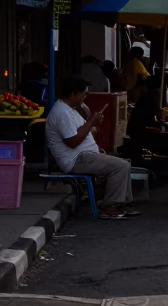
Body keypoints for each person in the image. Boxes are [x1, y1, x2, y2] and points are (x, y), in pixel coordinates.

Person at [45, 76, 136, 219]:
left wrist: (94, 124)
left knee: (123, 162)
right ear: (74, 93)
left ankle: (122, 203)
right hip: (75, 159)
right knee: (120, 166)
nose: (85, 97)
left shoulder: (72, 110)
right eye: (84, 93)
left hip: (85, 155)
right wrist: (91, 121)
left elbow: (86, 132)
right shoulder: (61, 112)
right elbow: (72, 141)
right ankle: (109, 206)